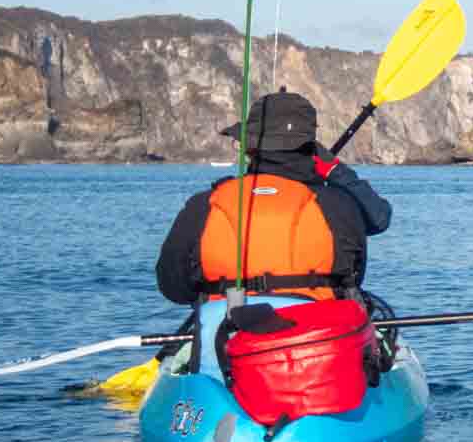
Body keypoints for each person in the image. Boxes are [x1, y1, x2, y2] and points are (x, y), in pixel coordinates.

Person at [156, 90, 391, 306]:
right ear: (312, 149)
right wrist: (335, 170)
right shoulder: (340, 206)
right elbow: (376, 224)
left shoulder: (204, 205)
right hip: (319, 343)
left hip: (228, 341)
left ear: (249, 147)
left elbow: (173, 287)